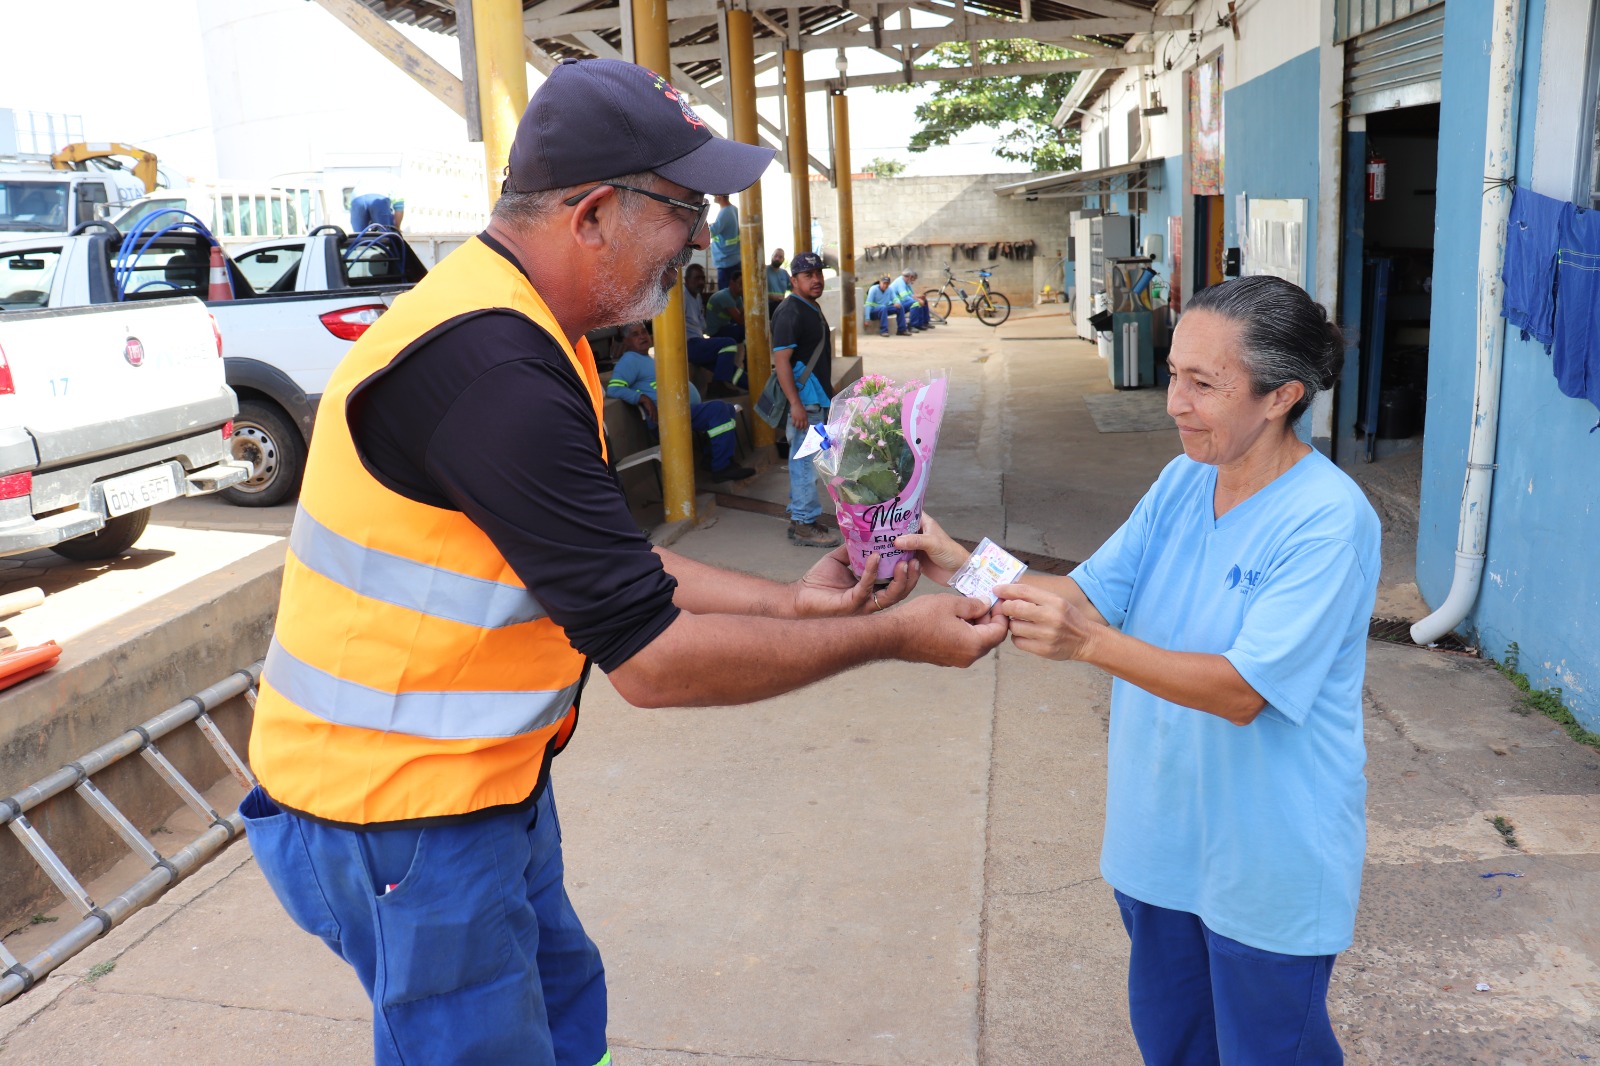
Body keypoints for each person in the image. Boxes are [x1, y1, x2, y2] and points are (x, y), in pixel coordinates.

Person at [239, 56, 1007, 1066]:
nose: (702, 238)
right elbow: (651, 660)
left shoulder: (520, 322)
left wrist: (801, 607)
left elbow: (615, 568)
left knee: (566, 1012)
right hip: (395, 816)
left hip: (480, 787)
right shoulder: (494, 374)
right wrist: (885, 638)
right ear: (593, 212)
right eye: (684, 207)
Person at [898, 274, 1376, 1066]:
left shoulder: (1327, 522)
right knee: (1175, 1048)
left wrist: (1088, 644)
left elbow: (1242, 691)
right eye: (1172, 374)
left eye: (1203, 383)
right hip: (1161, 845)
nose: (1174, 403)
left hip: (1267, 862)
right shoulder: (1186, 480)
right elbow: (1082, 593)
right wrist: (958, 566)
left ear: (1282, 395)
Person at [606, 321, 755, 481]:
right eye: (635, 334)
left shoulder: (646, 358)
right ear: (626, 341)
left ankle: (713, 460)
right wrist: (642, 398)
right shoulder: (629, 360)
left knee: (727, 409)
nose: (642, 336)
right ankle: (721, 467)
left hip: (680, 411)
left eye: (643, 332)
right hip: (666, 417)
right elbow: (614, 389)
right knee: (718, 409)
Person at [769, 250, 840, 548]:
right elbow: (781, 361)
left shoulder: (809, 306)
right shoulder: (790, 311)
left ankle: (802, 516)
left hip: (815, 399)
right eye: (808, 275)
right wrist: (796, 404)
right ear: (793, 279)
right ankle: (804, 525)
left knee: (808, 460)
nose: (816, 280)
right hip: (805, 404)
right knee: (805, 463)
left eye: (819, 274)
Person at [680, 261, 744, 393]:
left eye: (703, 278)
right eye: (697, 278)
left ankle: (754, 386)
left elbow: (702, 325)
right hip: (688, 345)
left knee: (732, 370)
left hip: (699, 343)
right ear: (686, 280)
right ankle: (716, 387)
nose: (701, 282)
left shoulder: (696, 297)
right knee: (729, 343)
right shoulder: (681, 296)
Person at [704, 264, 744, 341]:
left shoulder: (738, 297)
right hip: (715, 333)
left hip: (725, 327)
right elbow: (740, 320)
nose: (742, 287)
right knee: (743, 331)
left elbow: (743, 317)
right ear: (732, 283)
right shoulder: (725, 296)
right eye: (740, 283)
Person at [710, 192, 739, 290]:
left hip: (726, 262)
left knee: (725, 296)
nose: (713, 197)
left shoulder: (725, 213)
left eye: (714, 195)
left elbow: (712, 232)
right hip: (734, 259)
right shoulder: (734, 210)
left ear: (720, 196)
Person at [766, 247, 791, 315]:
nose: (777, 259)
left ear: (783, 260)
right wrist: (770, 296)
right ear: (772, 256)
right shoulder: (764, 270)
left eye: (780, 257)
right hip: (766, 305)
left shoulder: (784, 273)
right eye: (775, 256)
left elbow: (794, 287)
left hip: (781, 306)